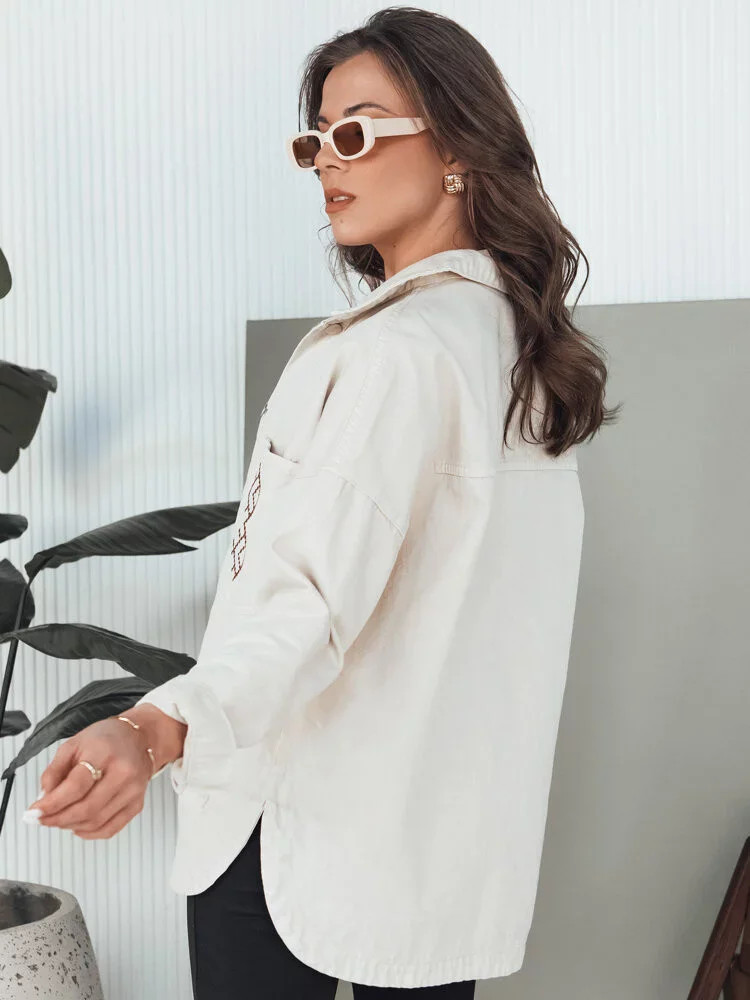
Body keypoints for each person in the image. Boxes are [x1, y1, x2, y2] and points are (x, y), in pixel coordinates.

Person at [23, 7, 620, 997]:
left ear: (457, 146)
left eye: (357, 131)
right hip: (441, 853)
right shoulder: (521, 362)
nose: (327, 163)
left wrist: (154, 728)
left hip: (293, 829)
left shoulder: (388, 354)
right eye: (316, 142)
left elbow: (304, 602)